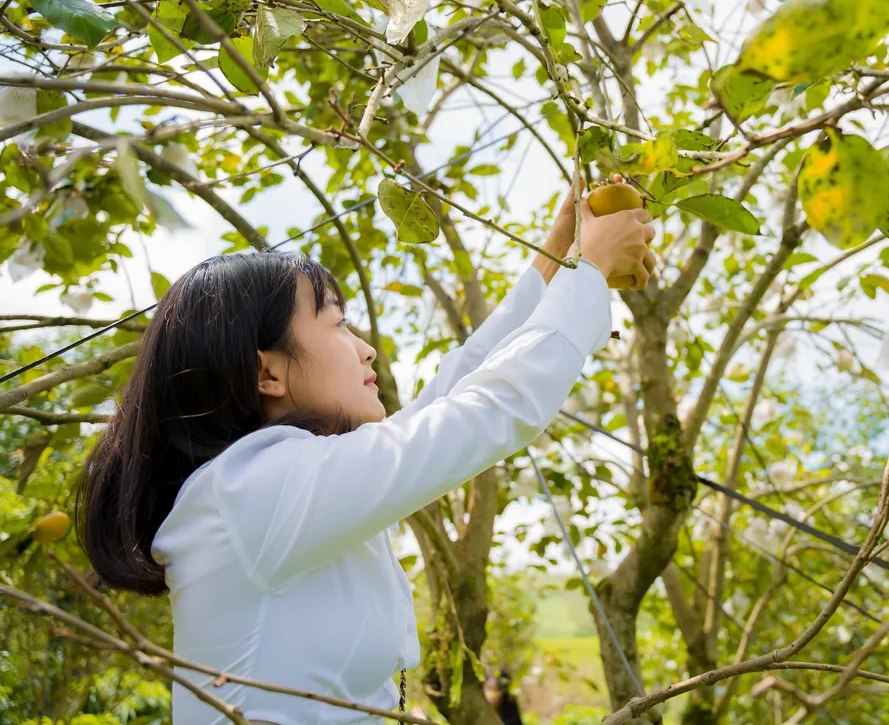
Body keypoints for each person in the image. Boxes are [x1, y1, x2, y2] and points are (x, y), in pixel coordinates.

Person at [72, 188, 655, 725]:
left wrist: (555, 260)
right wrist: (590, 274)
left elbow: (454, 392)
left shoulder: (280, 482)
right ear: (267, 371)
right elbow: (485, 412)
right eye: (339, 325)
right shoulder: (254, 491)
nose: (366, 348)